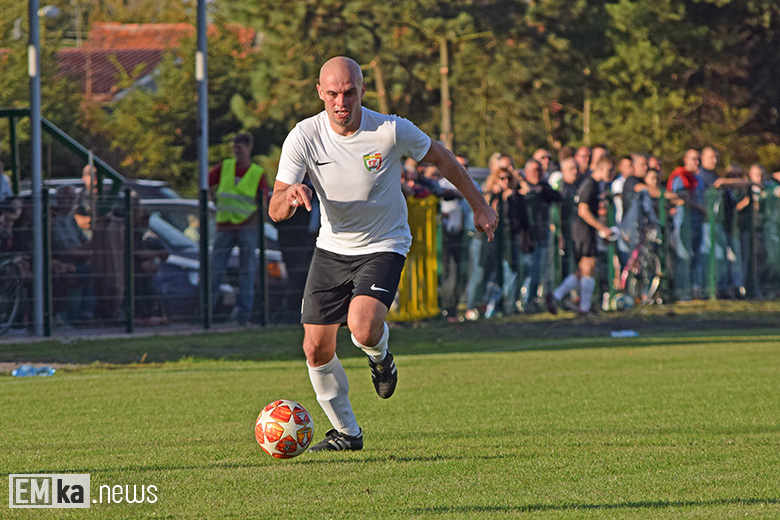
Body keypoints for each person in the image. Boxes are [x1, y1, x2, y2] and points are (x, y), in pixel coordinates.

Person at [268, 56, 498, 452]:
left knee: (362, 326)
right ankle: (347, 433)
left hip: (384, 242)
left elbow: (441, 157)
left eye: (350, 92)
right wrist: (289, 197)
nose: (342, 101)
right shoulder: (303, 136)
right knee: (315, 348)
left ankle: (381, 356)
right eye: (333, 93)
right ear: (320, 93)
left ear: (361, 91)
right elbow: (274, 208)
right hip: (332, 247)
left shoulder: (390, 130)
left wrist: (479, 205)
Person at [208, 132, 269, 325]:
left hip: (248, 227)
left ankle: (244, 316)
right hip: (225, 225)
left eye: (241, 147)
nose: (238, 150)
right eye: (235, 147)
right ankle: (207, 314)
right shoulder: (225, 167)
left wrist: (256, 219)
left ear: (249, 147)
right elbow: (207, 182)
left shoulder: (256, 173)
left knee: (247, 272)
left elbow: (263, 200)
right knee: (215, 270)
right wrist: (212, 197)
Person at [547, 156, 616, 315]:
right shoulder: (590, 184)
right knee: (589, 266)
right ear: (600, 168)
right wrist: (602, 228)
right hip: (582, 230)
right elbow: (583, 211)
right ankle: (584, 307)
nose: (612, 173)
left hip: (586, 229)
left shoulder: (597, 185)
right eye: (609, 170)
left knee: (583, 269)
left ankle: (556, 296)